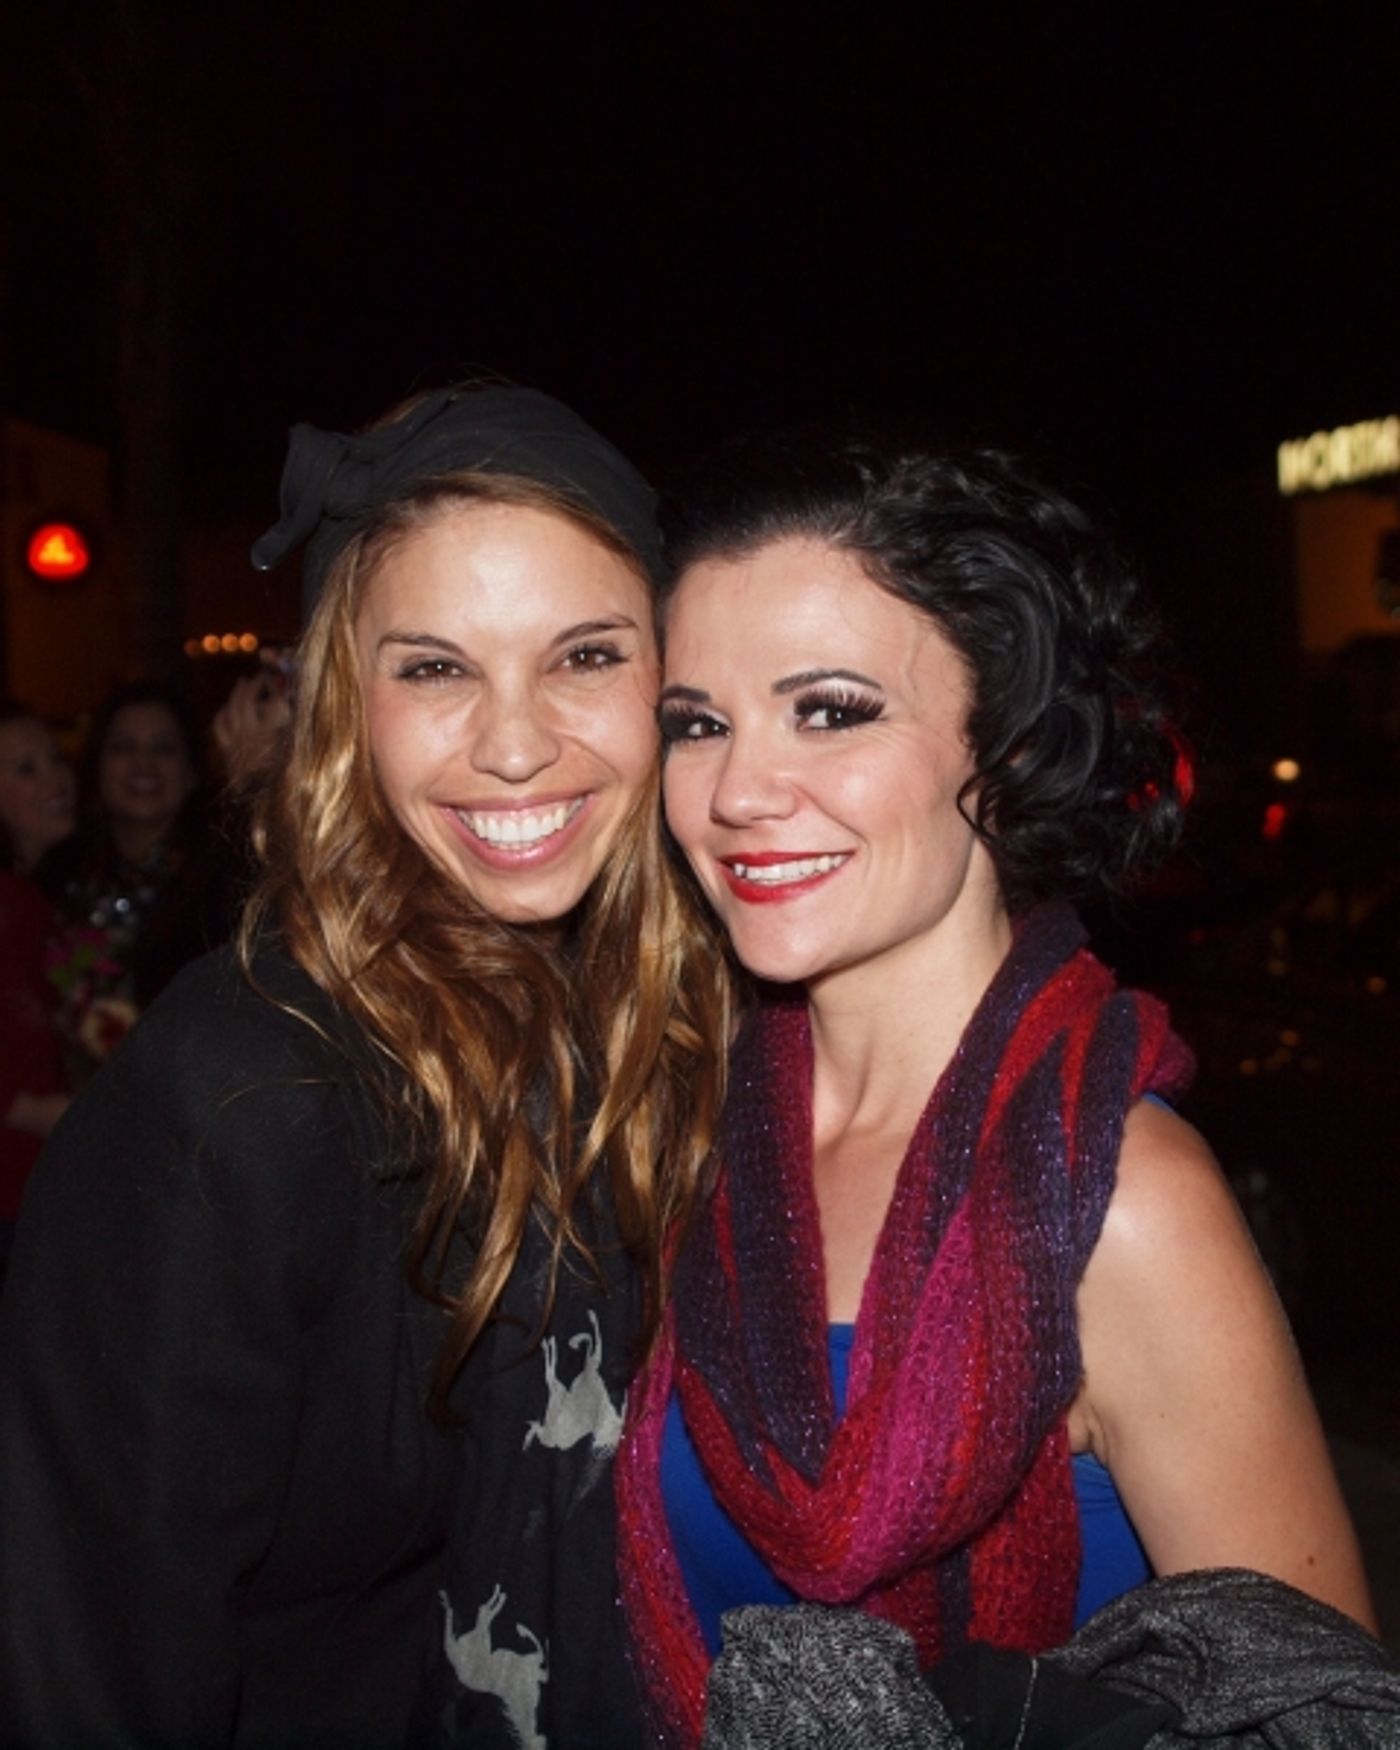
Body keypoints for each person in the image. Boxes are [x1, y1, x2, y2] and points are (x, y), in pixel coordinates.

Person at [614, 432, 1376, 1744]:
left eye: (830, 708)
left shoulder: (1124, 1202)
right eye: (698, 723)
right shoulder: (693, 1133)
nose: (738, 789)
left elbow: (1317, 1715)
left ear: (1006, 747)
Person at [0, 386, 726, 1749]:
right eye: (435, 667)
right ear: (346, 702)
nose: (515, 743)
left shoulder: (679, 1037)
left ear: (671, 682)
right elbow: (87, 1667)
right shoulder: (238, 1101)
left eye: (584, 655)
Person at [38, 679, 236, 1082]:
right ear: (97, 766)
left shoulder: (227, 880)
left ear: (192, 772)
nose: (143, 765)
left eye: (163, 749)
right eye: (124, 748)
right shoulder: (56, 874)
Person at [0, 703, 72, 1261]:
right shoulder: (9, 903)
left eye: (55, 759)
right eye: (26, 769)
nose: (57, 778)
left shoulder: (40, 897)